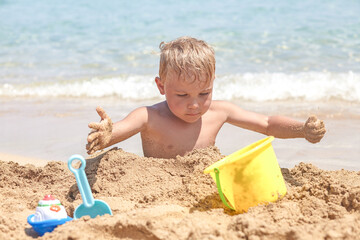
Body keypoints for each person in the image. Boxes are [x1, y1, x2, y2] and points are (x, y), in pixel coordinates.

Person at [86, 36, 326, 159]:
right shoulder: (149, 117)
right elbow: (117, 133)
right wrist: (106, 134)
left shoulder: (220, 112)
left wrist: (301, 130)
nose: (194, 104)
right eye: (182, 94)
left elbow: (266, 124)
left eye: (204, 93)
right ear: (161, 86)